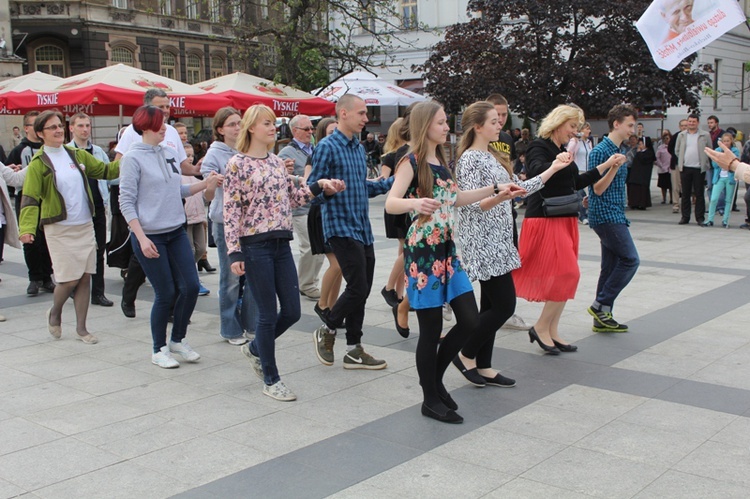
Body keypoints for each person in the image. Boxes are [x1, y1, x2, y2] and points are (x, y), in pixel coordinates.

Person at [385, 101, 523, 423]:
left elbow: (458, 199)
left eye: (447, 122)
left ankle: (434, 382)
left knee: (470, 320)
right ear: (425, 126)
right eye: (442, 123)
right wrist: (415, 202)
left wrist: (497, 189)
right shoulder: (412, 160)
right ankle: (430, 397)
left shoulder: (441, 160)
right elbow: (391, 202)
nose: (448, 127)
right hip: (423, 254)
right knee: (431, 330)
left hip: (448, 251)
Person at [224, 104, 345, 401]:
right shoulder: (237, 164)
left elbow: (293, 199)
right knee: (266, 315)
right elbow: (231, 211)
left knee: (291, 311)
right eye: (266, 123)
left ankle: (254, 349)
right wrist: (234, 253)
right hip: (255, 246)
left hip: (280, 243)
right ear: (251, 127)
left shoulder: (277, 162)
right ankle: (271, 378)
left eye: (272, 123)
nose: (272, 128)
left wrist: (320, 186)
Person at [456, 102, 561, 389]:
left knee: (491, 303)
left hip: (500, 239)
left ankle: (484, 364)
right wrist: (501, 197)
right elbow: (472, 205)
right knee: (504, 305)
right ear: (477, 126)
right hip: (483, 241)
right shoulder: (470, 160)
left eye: (499, 120)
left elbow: (520, 187)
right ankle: (465, 353)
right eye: (493, 121)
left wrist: (553, 168)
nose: (499, 124)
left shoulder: (491, 155)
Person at [513, 104, 622, 354]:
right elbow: (536, 174)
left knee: (565, 276)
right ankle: (541, 327)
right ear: (559, 123)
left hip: (564, 218)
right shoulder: (539, 146)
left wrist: (607, 165)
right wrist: (557, 161)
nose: (575, 132)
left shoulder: (561, 149)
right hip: (544, 218)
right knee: (567, 273)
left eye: (576, 128)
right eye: (572, 126)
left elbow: (576, 182)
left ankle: (551, 330)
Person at [119, 105, 220, 368]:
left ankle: (178, 340)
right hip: (150, 235)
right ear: (144, 125)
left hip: (175, 230)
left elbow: (178, 190)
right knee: (166, 292)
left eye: (165, 122)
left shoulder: (169, 153)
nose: (165, 127)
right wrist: (141, 238)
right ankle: (158, 349)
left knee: (189, 286)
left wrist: (206, 183)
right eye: (159, 123)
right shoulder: (132, 158)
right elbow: (126, 202)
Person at [19, 110, 121, 344]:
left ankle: (82, 329)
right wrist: (27, 229)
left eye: (59, 126)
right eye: (51, 128)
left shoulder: (76, 155)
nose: (58, 131)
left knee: (85, 277)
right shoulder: (38, 163)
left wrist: (130, 156)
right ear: (40, 134)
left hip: (84, 224)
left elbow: (106, 172)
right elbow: (30, 199)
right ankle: (55, 312)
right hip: (59, 228)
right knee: (68, 280)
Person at [308, 94, 394, 370]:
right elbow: (311, 191)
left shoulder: (357, 148)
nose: (366, 119)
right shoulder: (327, 146)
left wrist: (395, 181)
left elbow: (362, 187)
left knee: (363, 289)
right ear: (343, 114)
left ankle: (354, 349)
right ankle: (329, 328)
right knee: (357, 287)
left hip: (361, 227)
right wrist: (326, 188)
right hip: (339, 226)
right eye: (361, 113)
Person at [116, 89, 200, 318]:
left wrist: (200, 172)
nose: (165, 112)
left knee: (180, 280)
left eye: (167, 107)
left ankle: (174, 317)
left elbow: (182, 169)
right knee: (141, 263)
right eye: (160, 107)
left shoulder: (170, 134)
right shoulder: (133, 139)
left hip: (172, 214)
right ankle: (129, 295)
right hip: (148, 222)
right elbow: (121, 167)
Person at [200, 106, 257, 345]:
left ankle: (252, 324)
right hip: (225, 223)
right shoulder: (215, 154)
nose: (237, 127)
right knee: (231, 277)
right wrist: (214, 182)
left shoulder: (247, 148)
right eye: (232, 124)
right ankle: (230, 328)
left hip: (251, 223)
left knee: (254, 275)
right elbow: (208, 192)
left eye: (239, 123)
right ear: (220, 129)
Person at [586, 104, 638, 333]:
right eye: (629, 125)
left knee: (609, 266)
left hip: (614, 212)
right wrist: (614, 168)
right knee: (630, 259)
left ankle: (603, 317)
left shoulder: (621, 149)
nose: (632, 130)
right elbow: (597, 188)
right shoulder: (600, 151)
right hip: (606, 215)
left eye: (634, 125)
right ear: (616, 124)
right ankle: (600, 305)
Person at [486, 93, 530, 331]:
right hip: (486, 210)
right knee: (490, 267)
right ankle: (497, 310)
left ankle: (504, 310)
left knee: (509, 256)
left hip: (507, 208)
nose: (501, 119)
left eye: (504, 114)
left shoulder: (506, 139)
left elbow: (509, 167)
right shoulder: (480, 139)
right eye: (496, 114)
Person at [67, 112, 114, 307]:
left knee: (99, 250)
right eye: (80, 126)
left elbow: (109, 173)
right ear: (72, 128)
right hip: (77, 209)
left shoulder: (97, 152)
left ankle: (98, 292)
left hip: (97, 206)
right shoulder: (67, 152)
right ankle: (73, 286)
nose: (85, 129)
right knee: (77, 251)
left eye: (87, 125)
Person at [7, 110, 55, 296]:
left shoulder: (50, 148)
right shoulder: (20, 150)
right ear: (27, 128)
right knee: (30, 240)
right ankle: (34, 278)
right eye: (35, 124)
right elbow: (11, 177)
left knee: (47, 240)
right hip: (27, 199)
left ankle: (47, 277)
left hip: (47, 200)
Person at [278, 115, 325, 301]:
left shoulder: (315, 149)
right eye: (306, 129)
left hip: (316, 205)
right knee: (308, 247)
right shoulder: (287, 153)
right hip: (300, 208)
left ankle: (310, 281)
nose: (311, 132)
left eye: (311, 128)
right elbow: (283, 181)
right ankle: (306, 284)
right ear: (294, 130)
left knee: (319, 248)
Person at [304, 118, 344, 325]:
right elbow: (308, 184)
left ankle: (331, 307)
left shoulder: (342, 152)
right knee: (337, 264)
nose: (336, 134)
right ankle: (322, 304)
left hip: (337, 212)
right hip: (321, 212)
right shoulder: (318, 154)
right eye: (331, 131)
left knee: (341, 266)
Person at [379, 116, 412, 337]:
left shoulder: (406, 153)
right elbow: (383, 182)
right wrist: (402, 180)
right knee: (407, 249)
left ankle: (398, 294)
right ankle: (390, 288)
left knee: (404, 250)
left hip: (406, 206)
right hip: (397, 207)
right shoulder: (393, 156)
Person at [181, 143, 212, 296]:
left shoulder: (195, 176)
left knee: (200, 249)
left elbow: (206, 195)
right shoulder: (179, 176)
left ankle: (187, 274)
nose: (190, 158)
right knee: (189, 250)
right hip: (186, 218)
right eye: (186, 155)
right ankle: (191, 279)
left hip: (199, 217)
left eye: (191, 155)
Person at [675, 114, 710, 225]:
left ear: (698, 122)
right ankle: (685, 217)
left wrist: (705, 162)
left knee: (699, 193)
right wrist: (682, 160)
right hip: (685, 168)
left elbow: (709, 150)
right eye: (690, 121)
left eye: (693, 121)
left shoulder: (705, 135)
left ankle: (700, 217)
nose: (691, 123)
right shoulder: (681, 135)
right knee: (685, 193)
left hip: (699, 168)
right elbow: (677, 150)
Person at [704, 132, 739, 228]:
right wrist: (724, 162)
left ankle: (725, 220)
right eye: (724, 141)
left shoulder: (735, 151)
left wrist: (727, 163)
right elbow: (715, 164)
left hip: (730, 177)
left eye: (728, 141)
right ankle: (710, 219)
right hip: (719, 177)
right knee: (714, 198)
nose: (726, 143)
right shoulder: (718, 150)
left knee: (728, 200)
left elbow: (735, 165)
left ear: (731, 141)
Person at [568, 122, 593, 224]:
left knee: (589, 194)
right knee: (580, 195)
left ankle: (588, 214)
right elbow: (569, 151)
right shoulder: (575, 141)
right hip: (579, 170)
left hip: (588, 170)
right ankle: (582, 216)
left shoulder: (589, 142)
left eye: (589, 129)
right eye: (587, 129)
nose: (589, 131)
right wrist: (575, 140)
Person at [626, 134, 656, 210]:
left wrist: (639, 153)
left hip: (643, 175)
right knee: (634, 188)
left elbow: (643, 160)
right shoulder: (639, 152)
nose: (639, 145)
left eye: (641, 144)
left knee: (642, 189)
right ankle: (634, 203)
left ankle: (642, 204)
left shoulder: (649, 152)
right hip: (636, 174)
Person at [668, 119, 688, 213]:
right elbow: (670, 148)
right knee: (675, 186)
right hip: (676, 164)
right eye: (682, 126)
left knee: (685, 186)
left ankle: (685, 204)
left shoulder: (690, 136)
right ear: (679, 127)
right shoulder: (676, 136)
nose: (684, 127)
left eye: (685, 125)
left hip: (687, 164)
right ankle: (676, 204)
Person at [656, 131, 673, 204]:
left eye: (668, 138)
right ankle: (664, 198)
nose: (667, 140)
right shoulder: (660, 148)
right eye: (665, 139)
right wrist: (661, 165)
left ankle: (672, 199)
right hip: (663, 169)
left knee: (671, 185)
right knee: (663, 186)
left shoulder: (673, 147)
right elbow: (657, 157)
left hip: (671, 169)